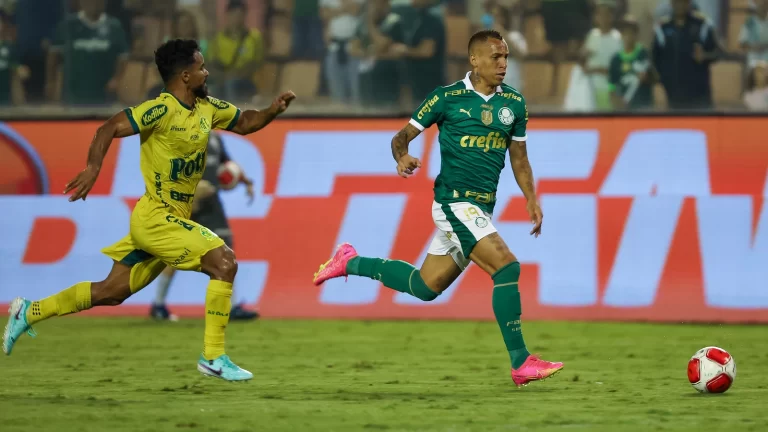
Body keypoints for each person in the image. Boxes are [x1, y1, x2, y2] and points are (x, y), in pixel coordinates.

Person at [3, 39, 295, 382]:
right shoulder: (159, 109)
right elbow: (108, 127)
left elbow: (244, 121)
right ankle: (213, 356)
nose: (207, 72)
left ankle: (29, 311)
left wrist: (272, 110)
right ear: (185, 76)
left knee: (110, 292)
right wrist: (93, 169)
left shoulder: (207, 107)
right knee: (224, 261)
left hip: (172, 219)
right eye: (201, 67)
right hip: (155, 218)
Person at [313, 30, 564, 387]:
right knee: (507, 268)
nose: (503, 64)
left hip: (480, 208)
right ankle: (521, 362)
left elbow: (519, 159)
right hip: (453, 202)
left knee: (425, 286)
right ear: (474, 60)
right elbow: (400, 137)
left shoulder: (515, 105)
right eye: (496, 57)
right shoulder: (446, 99)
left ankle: (349, 261)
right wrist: (402, 158)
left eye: (506, 57)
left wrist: (532, 198)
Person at [149, 131, 259, 322]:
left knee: (225, 249)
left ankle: (230, 307)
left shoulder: (215, 138)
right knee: (176, 254)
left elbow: (228, 166)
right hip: (187, 202)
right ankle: (158, 305)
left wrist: (246, 181)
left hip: (212, 203)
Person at [609, 15, 655, 110]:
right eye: (625, 32)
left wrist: (646, 78)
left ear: (636, 34)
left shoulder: (643, 54)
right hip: (623, 110)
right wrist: (617, 104)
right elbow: (611, 87)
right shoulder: (615, 59)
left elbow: (654, 79)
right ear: (621, 35)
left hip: (643, 107)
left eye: (631, 32)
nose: (628, 36)